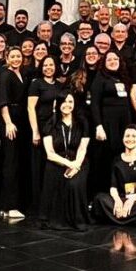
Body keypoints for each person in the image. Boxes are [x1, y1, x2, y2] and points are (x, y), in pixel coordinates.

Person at [38, 93, 91, 230]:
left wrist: (76, 166)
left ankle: (77, 219)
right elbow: (50, 153)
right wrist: (68, 164)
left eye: (70, 101)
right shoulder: (50, 123)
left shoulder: (82, 122)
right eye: (64, 101)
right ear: (57, 104)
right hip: (58, 161)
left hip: (78, 161)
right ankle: (51, 218)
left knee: (73, 184)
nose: (67, 104)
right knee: (52, 174)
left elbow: (82, 148)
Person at [90, 51, 133, 192]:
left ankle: (119, 190)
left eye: (116, 59)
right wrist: (98, 126)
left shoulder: (123, 78)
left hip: (124, 124)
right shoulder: (100, 78)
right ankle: (101, 193)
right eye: (109, 59)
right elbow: (94, 104)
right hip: (107, 125)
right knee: (105, 159)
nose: (113, 61)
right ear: (104, 62)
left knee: (121, 157)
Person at [93, 125, 136, 226]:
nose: (130, 139)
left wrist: (131, 200)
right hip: (120, 198)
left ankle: (114, 219)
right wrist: (118, 201)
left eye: (133, 136)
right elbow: (113, 186)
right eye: (127, 136)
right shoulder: (116, 160)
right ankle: (132, 220)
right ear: (123, 139)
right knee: (99, 198)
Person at [0, 47, 31, 219]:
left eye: (19, 56)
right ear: (7, 57)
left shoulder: (22, 75)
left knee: (16, 162)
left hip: (21, 120)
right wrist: (8, 122)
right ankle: (8, 206)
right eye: (13, 56)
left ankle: (9, 205)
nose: (16, 59)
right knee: (10, 163)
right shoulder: (5, 75)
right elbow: (2, 100)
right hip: (11, 121)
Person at [27, 56, 63, 200]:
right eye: (45, 65)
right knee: (39, 164)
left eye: (51, 65)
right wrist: (35, 131)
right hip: (41, 126)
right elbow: (30, 108)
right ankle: (38, 199)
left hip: (56, 128)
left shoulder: (59, 85)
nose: (48, 68)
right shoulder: (36, 84)